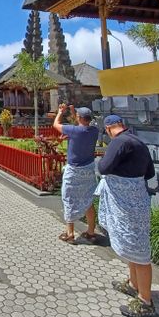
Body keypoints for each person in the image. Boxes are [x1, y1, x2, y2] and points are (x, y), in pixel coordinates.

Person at [96, 114, 157, 317]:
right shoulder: (138, 141)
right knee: (133, 245)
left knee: (139, 250)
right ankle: (133, 284)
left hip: (126, 202)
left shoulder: (118, 142)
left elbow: (104, 167)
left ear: (108, 129)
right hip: (138, 197)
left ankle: (145, 301)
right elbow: (150, 173)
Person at [53, 104, 101, 244]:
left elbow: (56, 124)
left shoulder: (73, 131)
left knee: (69, 199)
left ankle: (70, 233)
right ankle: (91, 233)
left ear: (79, 117)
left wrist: (60, 112)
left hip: (74, 170)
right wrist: (74, 112)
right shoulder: (93, 131)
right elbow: (79, 124)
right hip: (88, 170)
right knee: (88, 200)